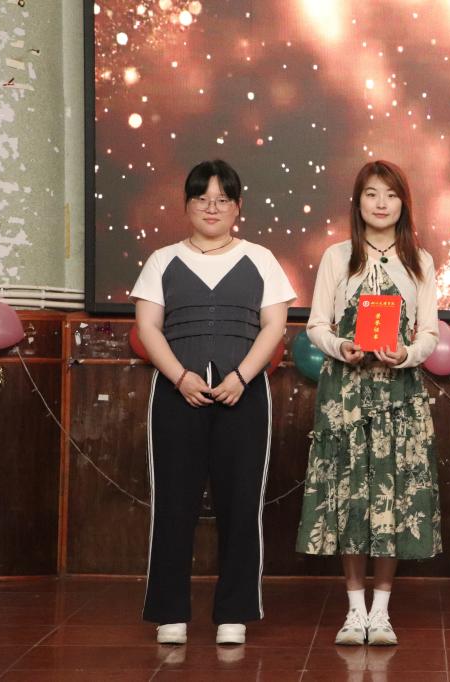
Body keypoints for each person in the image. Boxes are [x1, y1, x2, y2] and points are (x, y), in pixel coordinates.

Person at [131, 159, 296, 646]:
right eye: (202, 198)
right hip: (174, 393)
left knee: (241, 504)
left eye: (222, 200)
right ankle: (169, 612)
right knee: (173, 503)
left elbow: (274, 325)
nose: (212, 208)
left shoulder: (261, 258)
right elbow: (147, 327)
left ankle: (235, 612)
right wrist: (179, 376)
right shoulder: (162, 260)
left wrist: (243, 376)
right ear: (187, 205)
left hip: (244, 393)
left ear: (237, 207)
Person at [296, 160, 441, 647]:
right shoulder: (338, 257)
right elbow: (316, 325)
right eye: (372, 194)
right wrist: (341, 346)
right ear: (358, 202)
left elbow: (429, 333)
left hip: (399, 395)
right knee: (351, 496)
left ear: (404, 203)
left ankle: (381, 613)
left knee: (392, 497)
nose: (381, 203)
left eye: (391, 195)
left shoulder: (419, 261)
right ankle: (354, 611)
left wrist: (406, 354)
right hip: (347, 395)